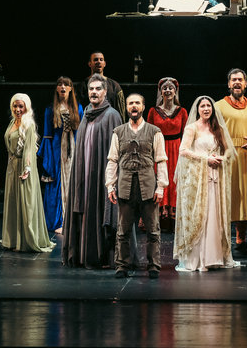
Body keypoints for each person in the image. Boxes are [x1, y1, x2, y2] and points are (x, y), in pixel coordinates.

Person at [62, 73, 123, 268]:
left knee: (100, 211)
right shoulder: (86, 113)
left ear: (105, 92)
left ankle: (102, 256)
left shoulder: (112, 116)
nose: (94, 92)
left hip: (101, 176)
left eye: (98, 89)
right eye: (91, 89)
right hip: (84, 174)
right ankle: (82, 255)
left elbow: (116, 152)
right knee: (83, 210)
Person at [173, 96, 240, 271]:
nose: (206, 109)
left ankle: (214, 257)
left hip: (216, 177)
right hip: (199, 178)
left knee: (214, 214)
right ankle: (199, 259)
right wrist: (206, 158)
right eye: (202, 106)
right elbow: (183, 150)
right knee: (201, 213)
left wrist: (221, 158)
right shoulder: (192, 128)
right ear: (198, 109)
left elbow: (229, 151)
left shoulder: (218, 128)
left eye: (208, 106)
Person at [107, 93, 168, 278]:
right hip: (125, 186)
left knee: (153, 230)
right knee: (122, 231)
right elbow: (112, 160)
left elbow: (161, 160)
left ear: (143, 106)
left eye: (137, 103)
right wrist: (110, 185)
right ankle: (122, 266)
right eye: (130, 103)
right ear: (127, 107)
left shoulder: (154, 131)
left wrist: (160, 187)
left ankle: (153, 266)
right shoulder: (118, 132)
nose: (134, 106)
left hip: (148, 187)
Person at [215, 68, 247, 255]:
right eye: (233, 80)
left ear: (245, 84)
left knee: (244, 199)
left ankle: (241, 240)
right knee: (224, 198)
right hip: (226, 158)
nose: (237, 82)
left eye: (240, 79)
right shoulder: (218, 106)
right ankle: (220, 242)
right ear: (229, 84)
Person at [1, 93, 54, 252]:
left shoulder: (28, 124)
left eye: (21, 106)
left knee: (26, 203)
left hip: (24, 168)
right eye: (15, 106)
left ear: (26, 108)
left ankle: (26, 240)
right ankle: (13, 239)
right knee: (13, 202)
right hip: (12, 167)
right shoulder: (12, 122)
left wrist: (27, 168)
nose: (18, 109)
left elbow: (29, 149)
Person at [38, 77, 83, 235]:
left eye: (66, 84)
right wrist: (49, 159)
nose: (63, 87)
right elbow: (47, 135)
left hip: (74, 148)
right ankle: (59, 220)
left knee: (73, 181)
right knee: (58, 183)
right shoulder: (50, 109)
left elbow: (80, 133)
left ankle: (73, 220)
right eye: (60, 84)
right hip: (57, 150)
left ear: (71, 89)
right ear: (57, 89)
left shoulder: (78, 108)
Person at [146, 77, 188, 225]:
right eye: (165, 88)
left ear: (175, 91)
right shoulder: (153, 111)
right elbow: (148, 133)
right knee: (159, 179)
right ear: (160, 92)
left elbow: (186, 134)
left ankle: (174, 217)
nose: (168, 90)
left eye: (171, 88)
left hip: (176, 149)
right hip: (159, 148)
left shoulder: (182, 111)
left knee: (174, 180)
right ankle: (158, 216)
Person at [82, 51, 126, 123]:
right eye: (95, 60)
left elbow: (120, 113)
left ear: (104, 64)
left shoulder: (114, 86)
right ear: (90, 64)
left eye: (101, 59)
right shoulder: (83, 86)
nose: (98, 62)